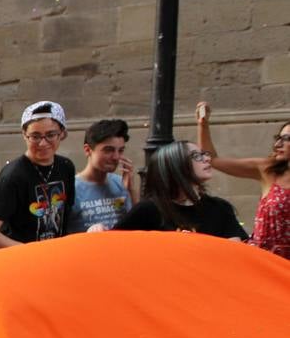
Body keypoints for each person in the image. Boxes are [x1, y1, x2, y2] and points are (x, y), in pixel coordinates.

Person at [197, 102, 290, 259]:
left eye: (286, 139)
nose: (277, 144)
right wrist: (203, 125)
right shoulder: (268, 170)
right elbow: (212, 159)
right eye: (278, 138)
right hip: (264, 260)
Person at [115, 141, 249, 239]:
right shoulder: (148, 210)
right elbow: (116, 243)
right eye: (196, 156)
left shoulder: (220, 208)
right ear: (175, 166)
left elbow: (238, 246)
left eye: (204, 154)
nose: (207, 159)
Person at [0, 101, 76, 247]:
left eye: (50, 135)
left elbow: (68, 216)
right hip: (22, 259)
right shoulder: (12, 175)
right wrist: (28, 252)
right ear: (24, 135)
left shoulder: (66, 167)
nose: (43, 143)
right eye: (35, 136)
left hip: (56, 254)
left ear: (62, 134)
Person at [67, 119, 137, 233]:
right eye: (108, 150)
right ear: (88, 150)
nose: (116, 157)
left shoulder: (121, 183)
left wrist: (131, 191)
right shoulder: (72, 188)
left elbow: (138, 226)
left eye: (120, 150)